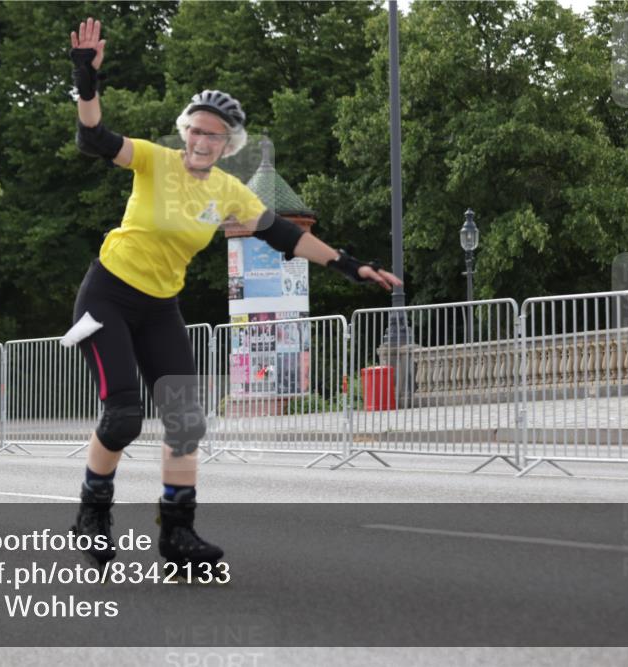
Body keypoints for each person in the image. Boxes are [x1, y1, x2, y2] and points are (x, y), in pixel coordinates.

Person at [67, 18, 402, 570]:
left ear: (228, 145)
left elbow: (286, 235)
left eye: (213, 135)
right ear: (184, 132)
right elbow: (93, 139)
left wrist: (350, 266)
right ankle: (91, 514)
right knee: (124, 414)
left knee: (184, 420)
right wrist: (86, 79)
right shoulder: (153, 159)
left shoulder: (228, 190)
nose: (201, 141)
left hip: (159, 307)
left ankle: (177, 534)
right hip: (108, 296)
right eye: (194, 130)